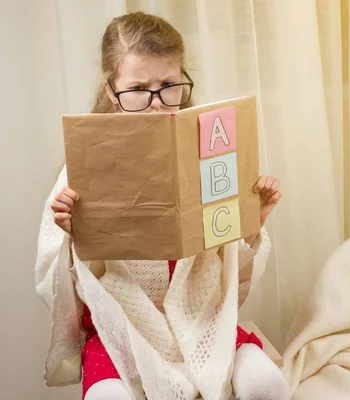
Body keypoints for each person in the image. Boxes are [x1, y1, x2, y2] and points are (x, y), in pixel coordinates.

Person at [35, 11, 288, 400]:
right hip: (124, 327)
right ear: (110, 89)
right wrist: (73, 235)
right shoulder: (82, 168)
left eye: (169, 85)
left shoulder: (208, 149)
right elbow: (65, 283)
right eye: (137, 88)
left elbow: (229, 275)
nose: (155, 103)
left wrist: (252, 222)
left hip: (198, 319)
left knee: (266, 383)